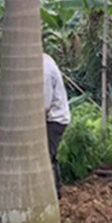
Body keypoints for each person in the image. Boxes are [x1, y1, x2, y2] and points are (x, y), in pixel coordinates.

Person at [43, 52, 70, 200]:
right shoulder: (45, 60)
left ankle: (53, 195)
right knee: (50, 156)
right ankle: (56, 192)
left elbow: (44, 104)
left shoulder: (44, 68)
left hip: (54, 120)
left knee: (46, 157)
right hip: (54, 118)